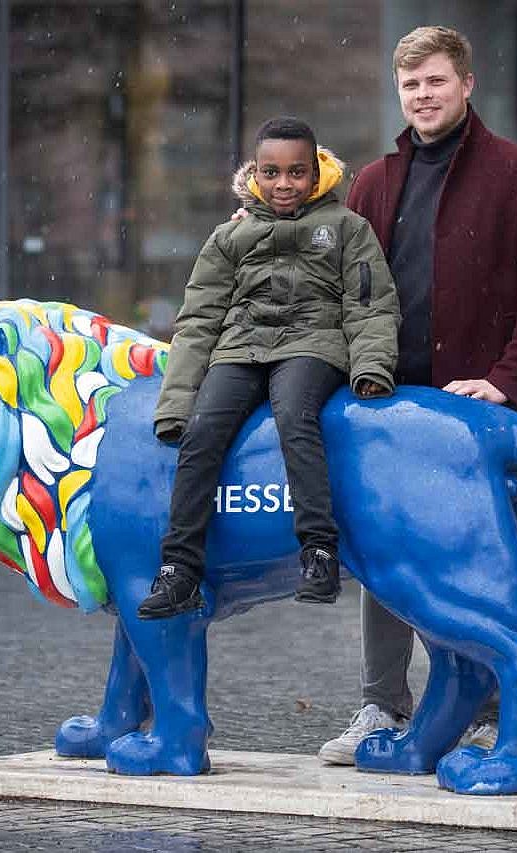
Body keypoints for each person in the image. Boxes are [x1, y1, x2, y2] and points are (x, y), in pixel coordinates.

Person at [317, 25, 517, 764]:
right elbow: (339, 283)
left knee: (484, 566)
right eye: (409, 85)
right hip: (391, 417)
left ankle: (492, 711)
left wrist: (504, 378)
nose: (422, 96)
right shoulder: (372, 182)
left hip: (479, 420)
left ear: (465, 85)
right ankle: (381, 706)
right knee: (383, 559)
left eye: (434, 81)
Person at [136, 116, 401, 620]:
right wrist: (175, 404)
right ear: (255, 174)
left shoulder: (346, 228)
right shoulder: (228, 238)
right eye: (272, 173)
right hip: (241, 347)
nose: (284, 184)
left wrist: (371, 368)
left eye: (297, 173)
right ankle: (179, 570)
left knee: (296, 416)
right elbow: (198, 320)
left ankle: (319, 551)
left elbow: (370, 304)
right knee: (203, 433)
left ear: (316, 171)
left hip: (313, 343)